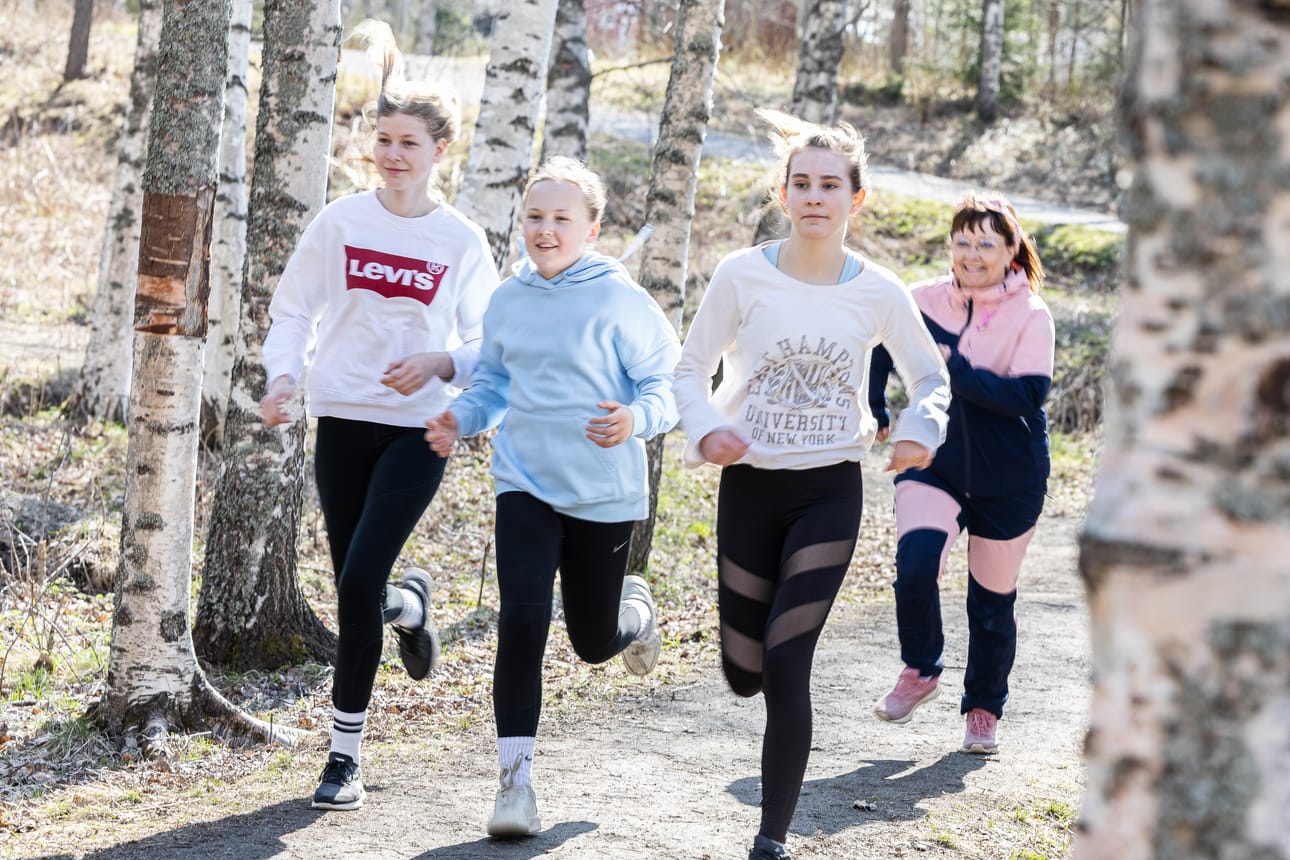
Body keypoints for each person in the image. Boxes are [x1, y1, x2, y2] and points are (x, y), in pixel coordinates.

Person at [672, 108, 951, 860]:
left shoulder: (879, 290)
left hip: (830, 487)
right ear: (784, 193)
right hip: (751, 487)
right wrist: (706, 429)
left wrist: (920, 429)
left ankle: (772, 837)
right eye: (802, 183)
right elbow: (689, 370)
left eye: (832, 184)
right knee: (745, 669)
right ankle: (747, 679)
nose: (816, 196)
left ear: (855, 199)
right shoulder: (741, 275)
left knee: (789, 660)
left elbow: (930, 378)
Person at [258, 22, 499, 812]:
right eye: (383, 139)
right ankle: (411, 608)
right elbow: (293, 310)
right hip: (342, 416)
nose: (393, 154)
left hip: (420, 427)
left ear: (439, 153)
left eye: (409, 142)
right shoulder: (339, 223)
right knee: (357, 587)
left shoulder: (458, 239)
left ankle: (343, 757)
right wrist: (282, 377)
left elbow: (488, 342)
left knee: (358, 575)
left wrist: (440, 367)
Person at [424, 156, 681, 839]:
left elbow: (668, 384)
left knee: (592, 643)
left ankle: (635, 610)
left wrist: (636, 420)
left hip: (602, 494)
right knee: (522, 621)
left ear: (591, 228)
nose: (544, 229)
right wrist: (461, 416)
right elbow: (494, 386)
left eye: (561, 218)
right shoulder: (508, 300)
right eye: (534, 216)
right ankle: (515, 787)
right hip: (525, 485)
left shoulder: (620, 300)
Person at [868, 193, 1054, 757]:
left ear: (1011, 249)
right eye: (963, 242)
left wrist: (954, 368)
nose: (972, 254)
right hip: (936, 465)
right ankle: (921, 667)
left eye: (986, 243)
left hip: (1011, 478)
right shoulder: (921, 300)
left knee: (990, 603)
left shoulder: (1032, 314)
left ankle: (982, 709)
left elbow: (1027, 394)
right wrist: (875, 404)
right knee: (916, 565)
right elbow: (880, 344)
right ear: (950, 245)